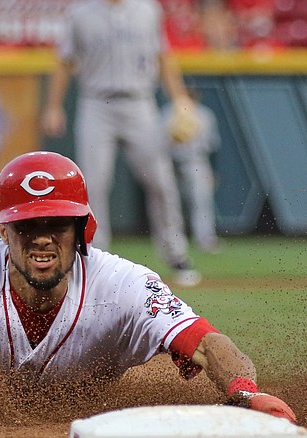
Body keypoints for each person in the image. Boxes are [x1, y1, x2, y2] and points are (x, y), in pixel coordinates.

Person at [0, 151, 296, 427]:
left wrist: (243, 391)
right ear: (4, 232)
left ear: (82, 228)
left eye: (56, 223)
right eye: (27, 226)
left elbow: (207, 343)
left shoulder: (125, 284)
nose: (42, 238)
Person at [41, 0, 201, 287]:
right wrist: (53, 106)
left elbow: (163, 57)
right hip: (96, 103)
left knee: (161, 182)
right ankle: (95, 258)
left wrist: (180, 99)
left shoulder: (148, 10)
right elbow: (64, 62)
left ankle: (175, 253)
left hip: (140, 103)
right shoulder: (81, 14)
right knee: (94, 185)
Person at [160, 90, 222, 253]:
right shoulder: (168, 112)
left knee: (200, 200)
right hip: (169, 161)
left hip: (196, 160)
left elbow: (212, 146)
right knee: (169, 201)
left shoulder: (204, 114)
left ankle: (205, 238)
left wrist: (214, 170)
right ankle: (172, 241)